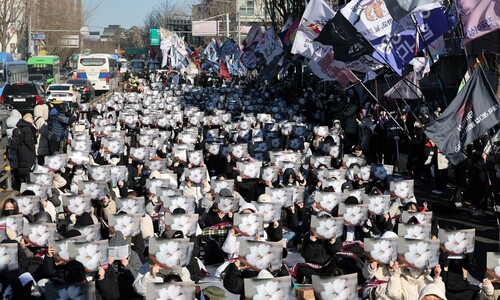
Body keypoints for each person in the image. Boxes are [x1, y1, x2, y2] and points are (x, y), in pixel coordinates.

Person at [12, 113, 37, 185]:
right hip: (28, 153)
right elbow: (29, 141)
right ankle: (28, 189)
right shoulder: (27, 128)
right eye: (32, 118)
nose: (33, 120)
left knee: (22, 171)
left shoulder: (19, 128)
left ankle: (22, 188)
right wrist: (32, 149)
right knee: (28, 172)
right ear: (28, 119)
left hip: (21, 153)